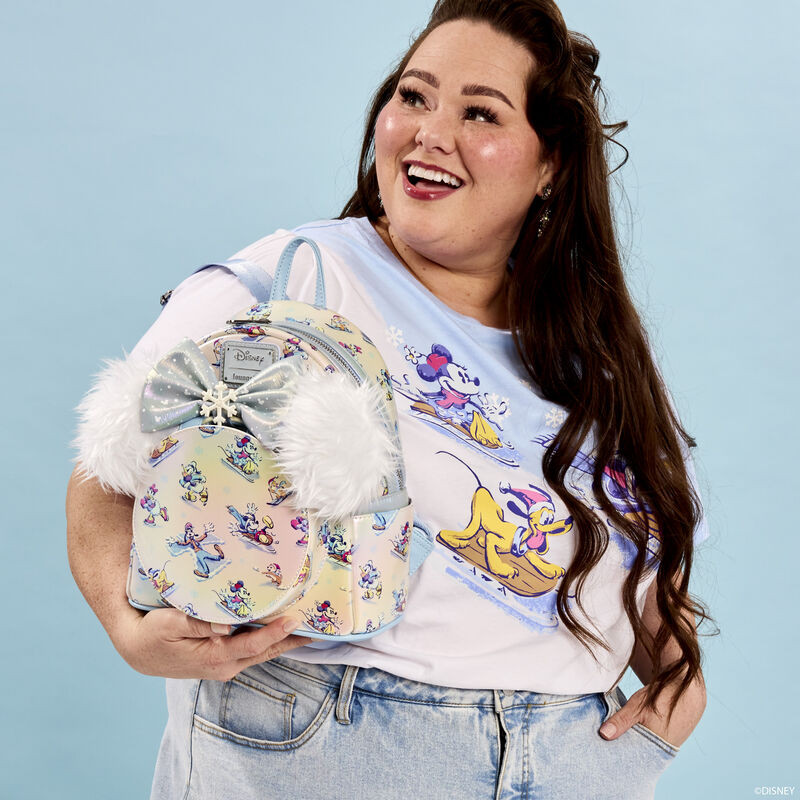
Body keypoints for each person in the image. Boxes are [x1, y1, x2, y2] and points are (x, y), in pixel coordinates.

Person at [66, 1, 712, 798]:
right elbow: (104, 471)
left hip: (571, 755)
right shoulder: (295, 278)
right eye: (414, 96)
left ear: (550, 164)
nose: (430, 132)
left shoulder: (596, 356)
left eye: (479, 112)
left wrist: (679, 668)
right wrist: (126, 625)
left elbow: (640, 556)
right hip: (331, 747)